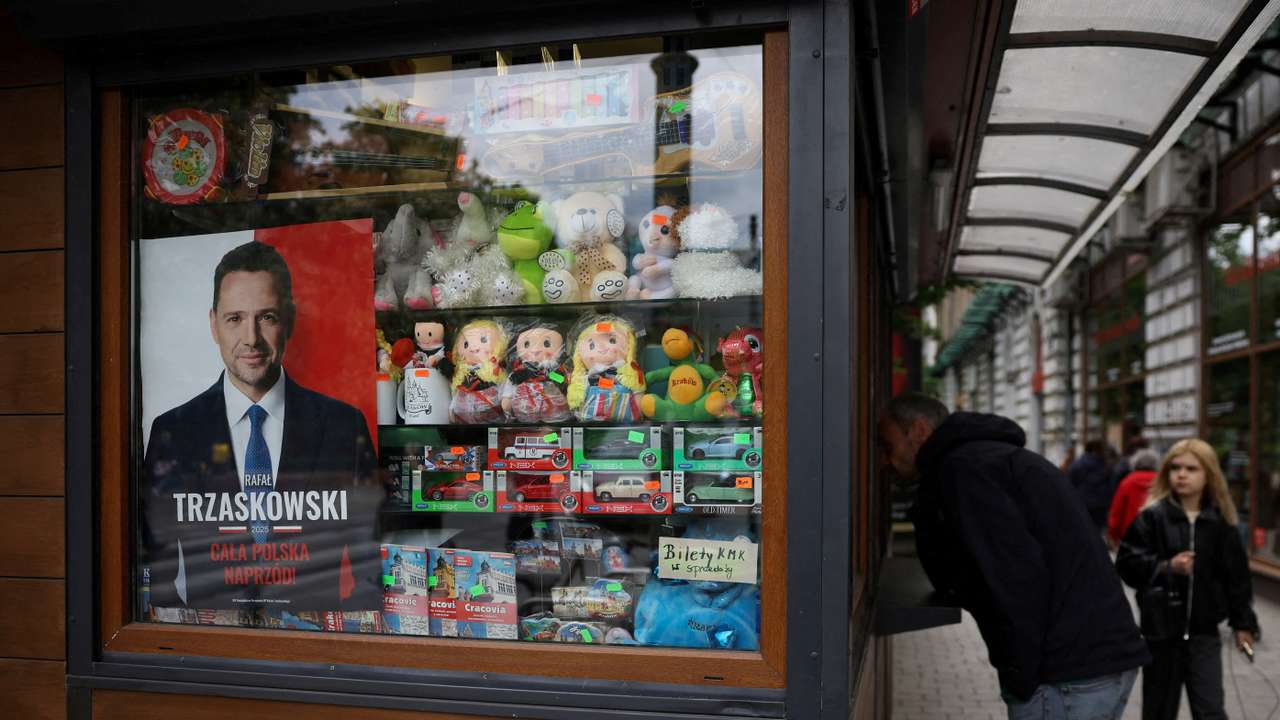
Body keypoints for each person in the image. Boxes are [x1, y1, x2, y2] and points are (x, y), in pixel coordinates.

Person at [140, 241, 381, 612]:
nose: (250, 338)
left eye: (266, 317)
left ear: (290, 319)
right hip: (210, 655)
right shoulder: (172, 432)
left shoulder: (343, 427)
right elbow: (157, 569)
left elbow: (369, 564)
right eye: (234, 318)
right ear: (213, 324)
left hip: (316, 655)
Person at [878, 393, 1149, 719]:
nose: (884, 461)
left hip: (1066, 675)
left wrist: (1022, 678)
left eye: (887, 445)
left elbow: (1014, 576)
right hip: (1094, 662)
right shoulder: (990, 460)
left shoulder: (964, 470)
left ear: (918, 431)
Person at [1115, 439, 1260, 720]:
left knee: (1210, 709)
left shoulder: (1220, 522)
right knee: (1158, 710)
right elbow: (1127, 564)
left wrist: (1244, 623)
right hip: (1160, 632)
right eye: (1175, 468)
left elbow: (1237, 579)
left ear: (1208, 476)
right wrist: (1168, 567)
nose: (1181, 474)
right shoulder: (1152, 518)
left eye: (1191, 469)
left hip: (1204, 633)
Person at [1107, 448, 1161, 550]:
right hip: (1156, 536)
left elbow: (1117, 512)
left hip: (1130, 536)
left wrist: (1113, 535)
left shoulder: (1127, 482)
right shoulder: (1161, 482)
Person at [1069, 439, 1113, 530]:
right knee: (1098, 531)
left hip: (1082, 503)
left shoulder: (1077, 464)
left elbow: (1070, 483)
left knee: (1083, 530)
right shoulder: (1105, 465)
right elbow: (1111, 484)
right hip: (1101, 505)